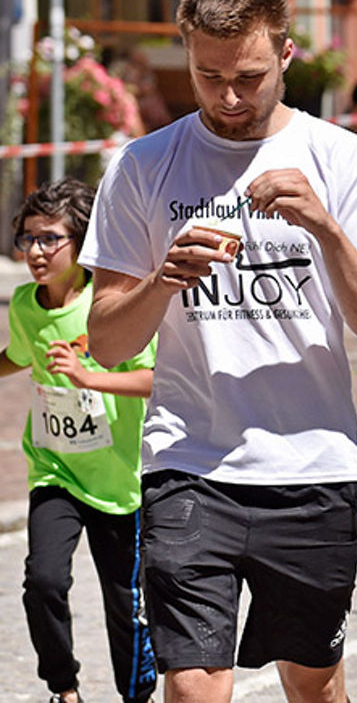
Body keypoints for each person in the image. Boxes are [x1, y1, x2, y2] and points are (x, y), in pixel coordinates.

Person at [78, 0, 357, 702]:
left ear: (286, 56)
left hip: (312, 468)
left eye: (250, 77)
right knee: (195, 686)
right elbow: (104, 340)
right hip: (189, 465)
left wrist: (323, 226)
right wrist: (162, 279)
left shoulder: (345, 160)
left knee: (315, 686)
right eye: (209, 77)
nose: (229, 97)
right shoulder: (142, 166)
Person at [2, 178, 157, 703]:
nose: (35, 252)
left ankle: (136, 694)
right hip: (55, 470)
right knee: (43, 581)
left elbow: (156, 379)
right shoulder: (25, 305)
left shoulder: (110, 304)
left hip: (120, 482)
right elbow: (19, 357)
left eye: (50, 239)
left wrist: (90, 377)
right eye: (27, 239)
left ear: (82, 243)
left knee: (125, 602)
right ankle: (64, 690)